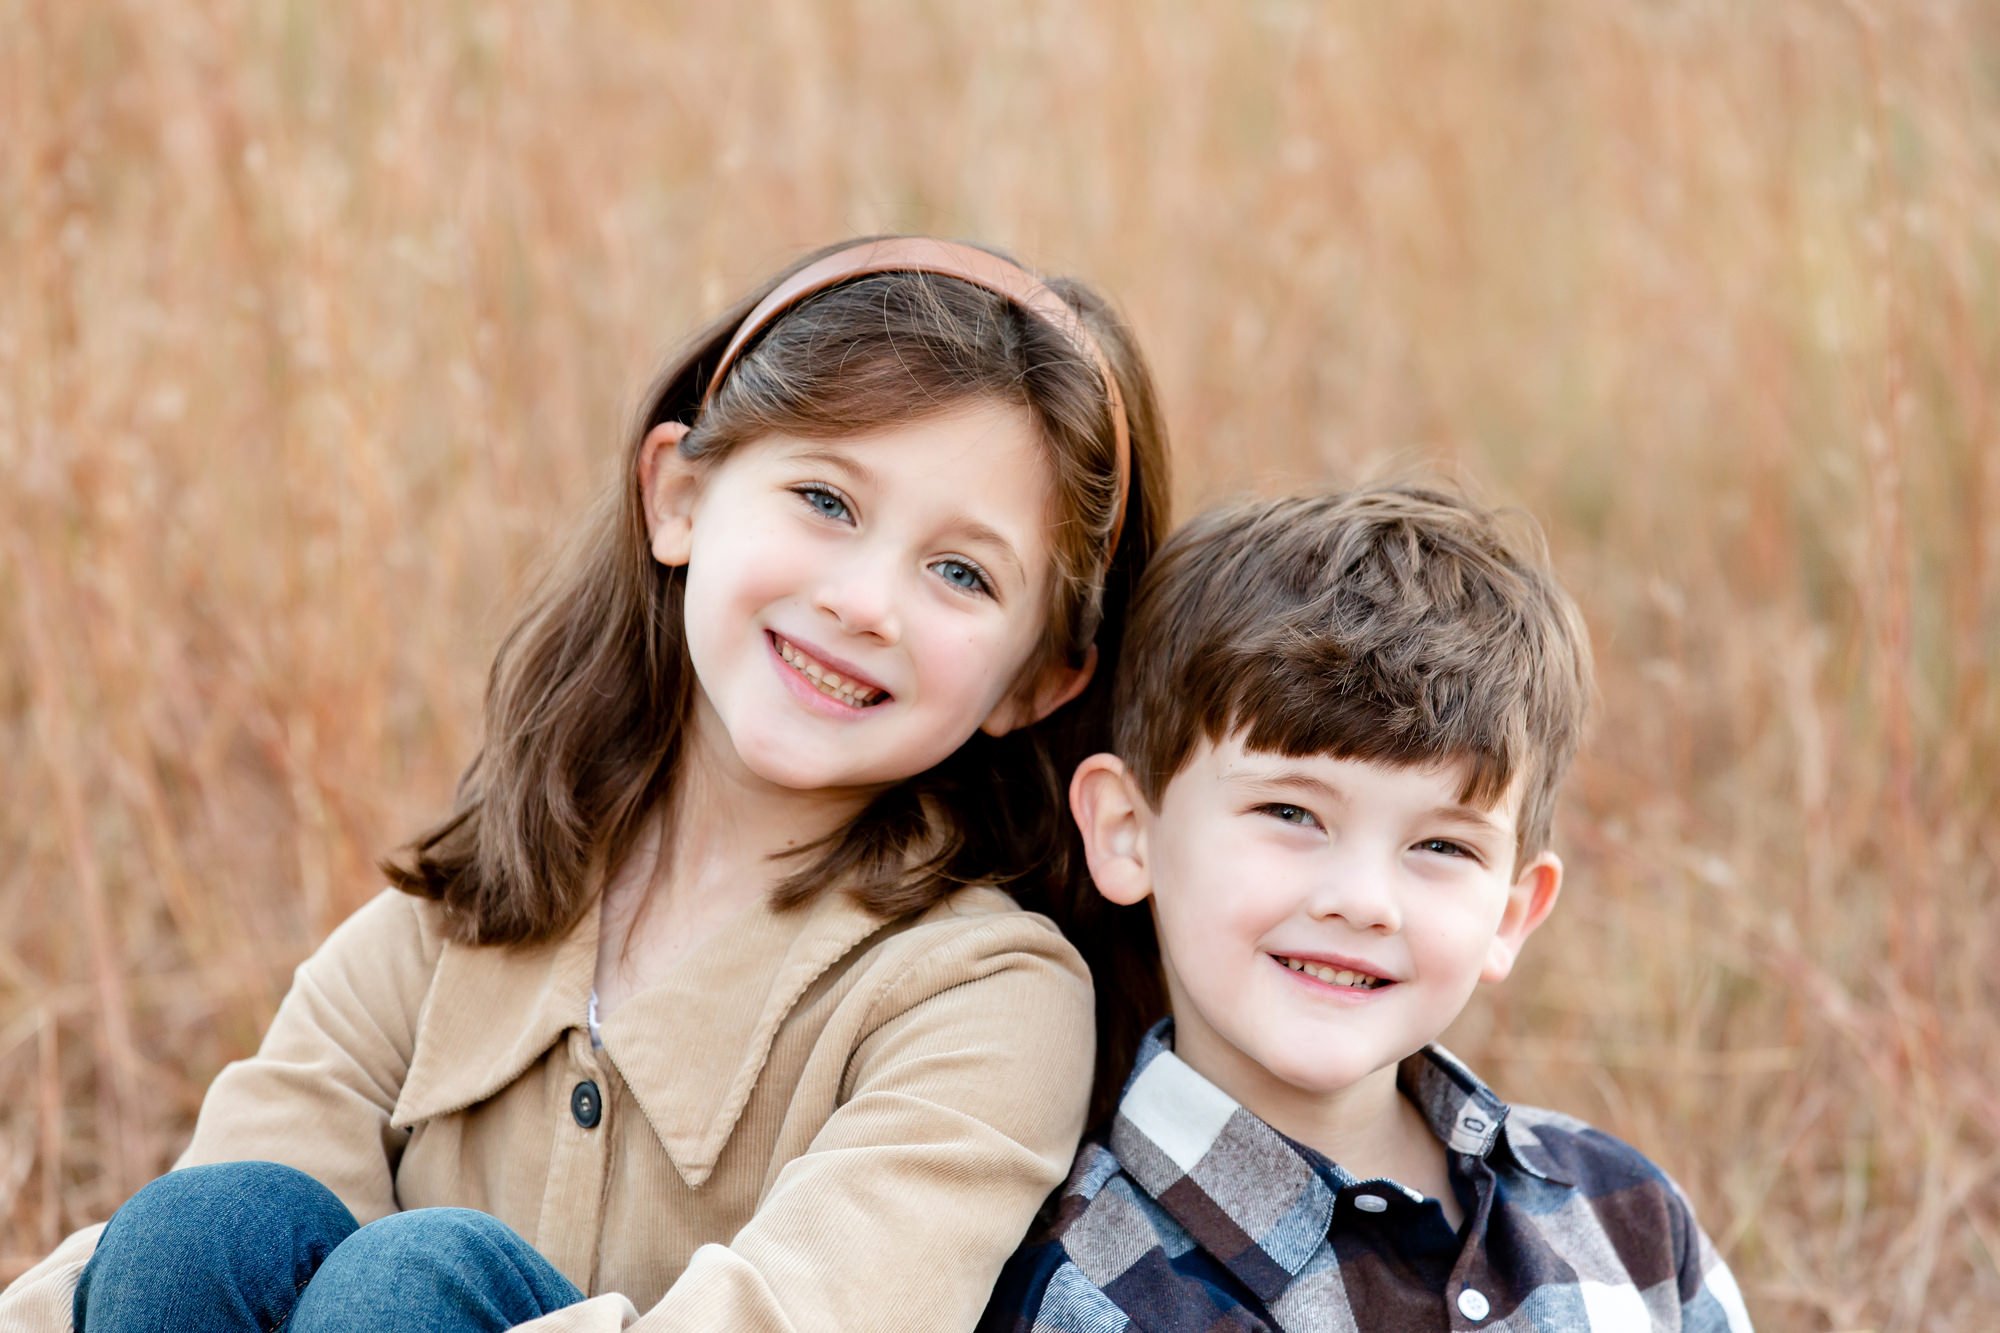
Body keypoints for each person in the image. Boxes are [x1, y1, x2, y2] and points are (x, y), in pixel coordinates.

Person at [2, 236, 1172, 1332]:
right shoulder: (463, 913)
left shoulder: (986, 998)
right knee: (205, 1230)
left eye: (961, 572)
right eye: (826, 501)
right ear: (678, 496)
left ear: (1037, 679)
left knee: (412, 1283)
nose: (863, 602)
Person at [983, 485, 1754, 1331]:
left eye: (1442, 846)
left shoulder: (1629, 1218)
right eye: (1291, 812)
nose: (1362, 902)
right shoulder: (1090, 1296)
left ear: (1510, 915)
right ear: (1128, 832)